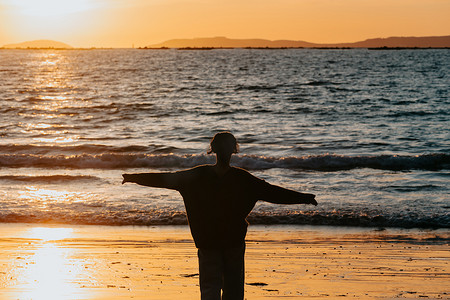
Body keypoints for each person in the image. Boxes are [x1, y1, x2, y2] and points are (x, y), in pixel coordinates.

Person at [122, 132, 317, 300]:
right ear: (234, 150)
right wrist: (305, 198)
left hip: (209, 241)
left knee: (210, 290)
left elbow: (165, 178)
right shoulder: (243, 179)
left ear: (213, 149)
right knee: (232, 290)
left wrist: (134, 178)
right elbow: (274, 193)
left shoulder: (196, 177)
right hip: (231, 241)